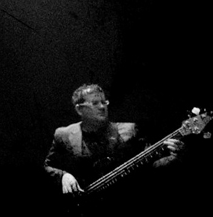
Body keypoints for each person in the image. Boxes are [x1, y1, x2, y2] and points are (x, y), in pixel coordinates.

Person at [43, 84, 183, 216]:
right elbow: (48, 166)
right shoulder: (64, 134)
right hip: (83, 211)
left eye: (104, 102)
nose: (102, 107)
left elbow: (151, 167)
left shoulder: (130, 131)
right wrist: (63, 176)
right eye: (95, 103)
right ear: (79, 109)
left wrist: (174, 156)